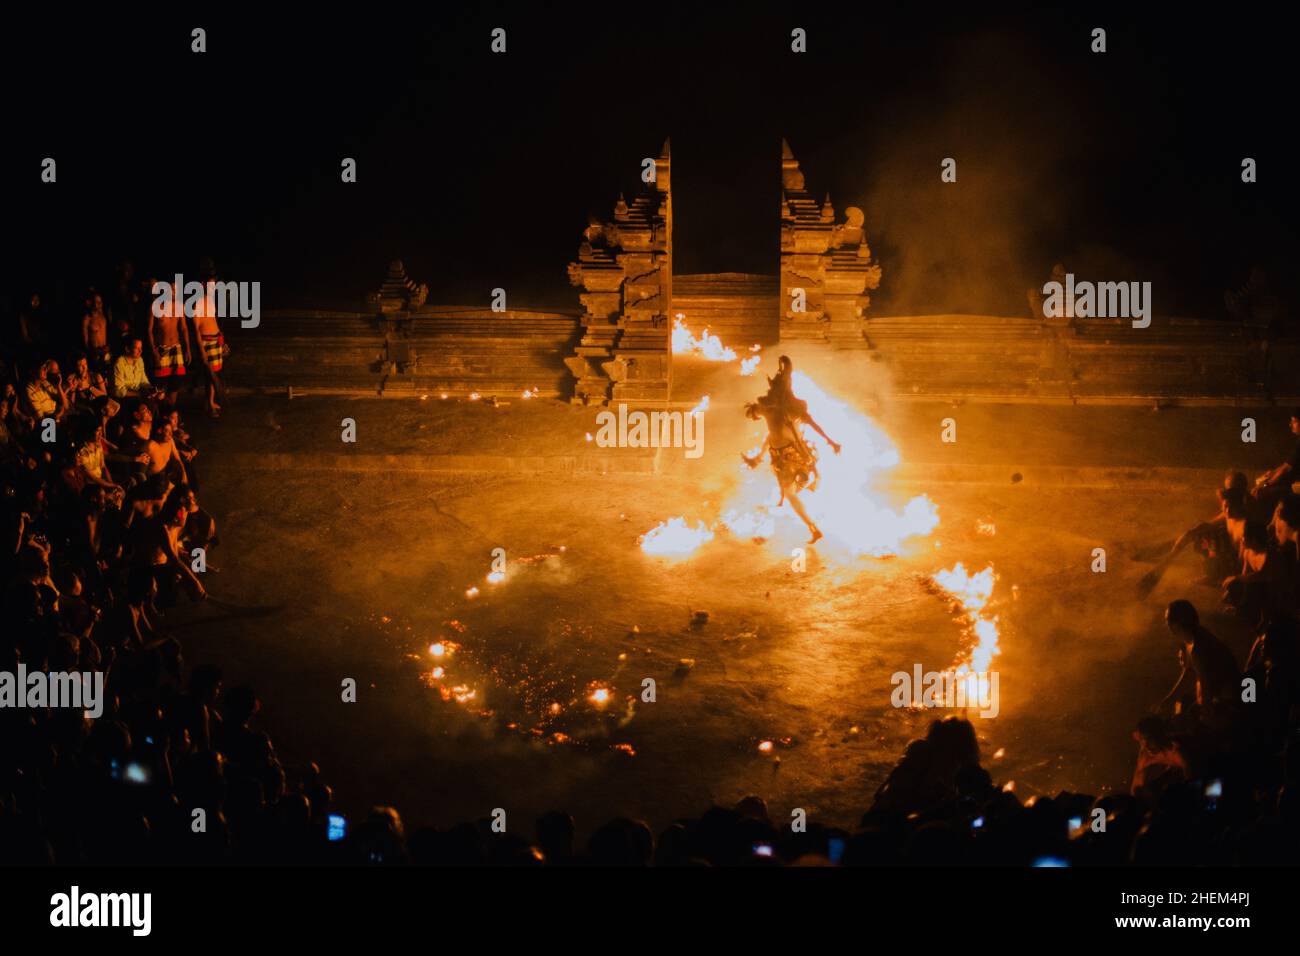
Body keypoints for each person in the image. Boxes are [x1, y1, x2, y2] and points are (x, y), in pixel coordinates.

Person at [741, 356, 840, 543]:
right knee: (788, 489)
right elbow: (753, 414)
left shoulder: (780, 410)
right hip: (784, 456)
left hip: (792, 457)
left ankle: (813, 528)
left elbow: (751, 412)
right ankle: (760, 462)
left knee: (790, 494)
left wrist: (831, 441)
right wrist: (831, 441)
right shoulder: (777, 409)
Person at [1158, 599, 1241, 723]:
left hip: (1228, 699)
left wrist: (1205, 714)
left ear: (1178, 624)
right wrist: (1170, 698)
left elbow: (1206, 684)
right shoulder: (1189, 639)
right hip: (1216, 694)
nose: (1167, 625)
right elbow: (1188, 671)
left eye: (1168, 620)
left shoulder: (1200, 648)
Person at [147, 281, 191, 405]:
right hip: (162, 349)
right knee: (159, 386)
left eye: (176, 291)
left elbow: (184, 328)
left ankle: (170, 413)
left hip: (176, 349)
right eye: (172, 290)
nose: (174, 293)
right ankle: (158, 416)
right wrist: (154, 351)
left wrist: (187, 349)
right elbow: (149, 330)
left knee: (175, 384)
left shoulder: (179, 306)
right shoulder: (155, 307)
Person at [194, 280, 226, 419]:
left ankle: (209, 403)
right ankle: (214, 403)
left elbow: (213, 322)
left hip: (215, 341)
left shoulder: (210, 301)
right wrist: (201, 349)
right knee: (212, 376)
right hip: (206, 343)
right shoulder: (197, 304)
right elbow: (196, 330)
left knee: (211, 376)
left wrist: (222, 341)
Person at [82, 292, 113, 374]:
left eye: (101, 302)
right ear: (91, 303)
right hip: (95, 354)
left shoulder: (103, 316)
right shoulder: (87, 319)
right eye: (97, 302)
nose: (100, 304)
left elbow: (108, 332)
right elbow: (85, 342)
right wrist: (93, 351)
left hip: (106, 351)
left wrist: (108, 346)